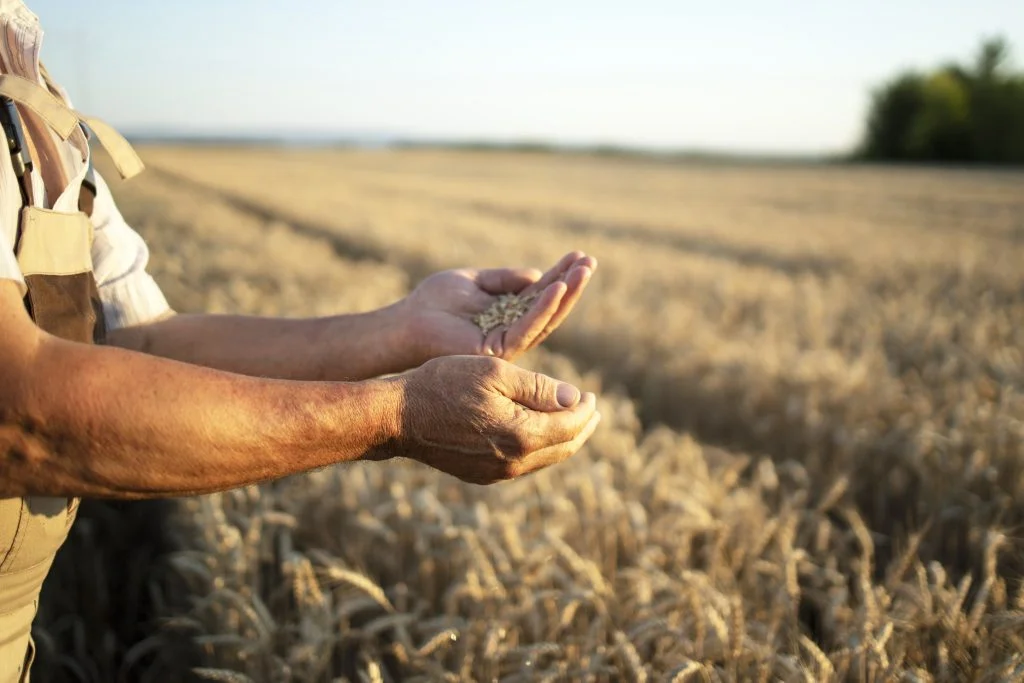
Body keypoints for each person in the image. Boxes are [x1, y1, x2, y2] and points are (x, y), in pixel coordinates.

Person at [0, 2, 599, 680]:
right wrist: (397, 416)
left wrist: (400, 328)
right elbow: (18, 410)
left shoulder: (30, 86)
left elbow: (138, 342)